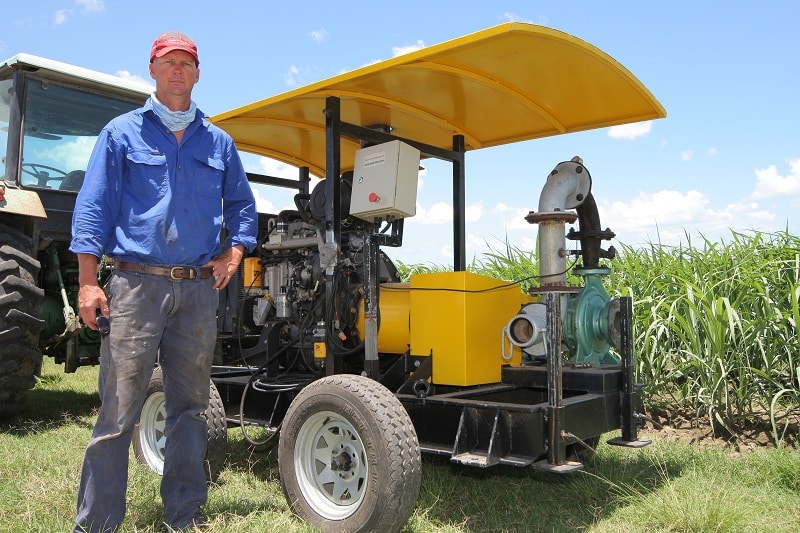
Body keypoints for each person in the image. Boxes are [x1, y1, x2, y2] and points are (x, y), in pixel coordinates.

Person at [70, 31, 257, 532]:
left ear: (198, 73)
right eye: (168, 62)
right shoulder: (121, 133)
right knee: (118, 410)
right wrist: (89, 282)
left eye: (186, 63)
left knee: (191, 408)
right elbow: (93, 207)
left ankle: (183, 514)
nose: (177, 70)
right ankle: (97, 524)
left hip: (197, 292)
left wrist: (235, 251)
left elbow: (242, 205)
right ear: (152, 70)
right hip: (135, 287)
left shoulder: (218, 142)